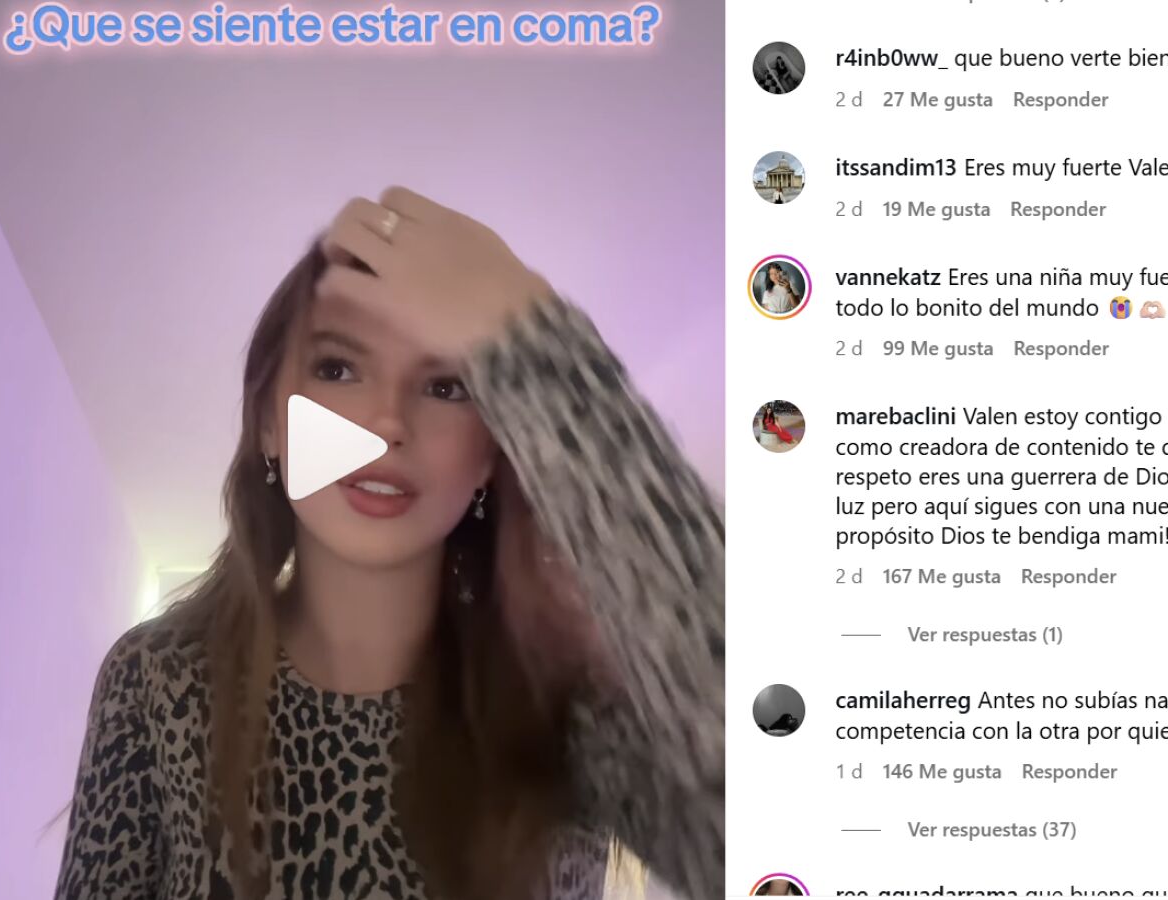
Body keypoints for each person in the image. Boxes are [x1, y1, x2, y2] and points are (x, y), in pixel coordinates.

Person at [52, 187, 724, 900]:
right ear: (270, 424)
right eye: (338, 368)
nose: (386, 422)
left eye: (446, 386)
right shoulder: (156, 681)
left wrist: (545, 351)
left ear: (493, 452)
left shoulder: (562, 709)